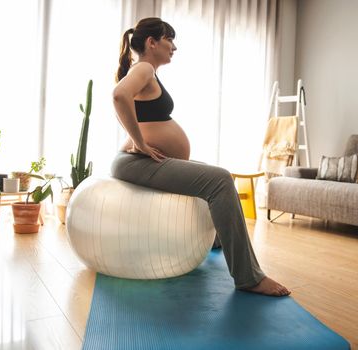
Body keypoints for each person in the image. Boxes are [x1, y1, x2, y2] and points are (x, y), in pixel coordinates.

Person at [111, 17, 290, 297]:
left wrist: (140, 141)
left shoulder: (148, 72)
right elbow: (119, 95)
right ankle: (248, 277)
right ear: (152, 42)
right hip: (136, 163)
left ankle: (216, 240)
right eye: (170, 40)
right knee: (219, 180)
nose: (174, 47)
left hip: (140, 161)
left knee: (210, 173)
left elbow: (127, 101)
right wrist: (140, 143)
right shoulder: (144, 67)